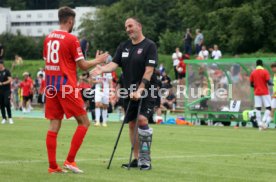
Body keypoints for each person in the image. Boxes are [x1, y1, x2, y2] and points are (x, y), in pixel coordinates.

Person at [43, 6, 108, 173]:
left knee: (54, 124)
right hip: (65, 85)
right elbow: (83, 65)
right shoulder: (71, 39)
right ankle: (70, 160)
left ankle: (52, 166)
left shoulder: (48, 38)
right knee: (84, 122)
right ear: (70, 21)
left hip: (51, 85)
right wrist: (98, 60)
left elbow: (48, 61)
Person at [92, 17, 157, 170]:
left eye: (130, 26)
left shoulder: (150, 45)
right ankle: (136, 159)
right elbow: (114, 64)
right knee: (132, 124)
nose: (128, 29)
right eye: (126, 27)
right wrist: (102, 69)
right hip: (129, 91)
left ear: (139, 26)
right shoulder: (124, 46)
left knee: (141, 120)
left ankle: (145, 159)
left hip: (147, 89)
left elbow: (149, 70)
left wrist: (141, 89)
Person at [250, 59, 272, 130]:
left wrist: (256, 86)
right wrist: (272, 84)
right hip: (265, 92)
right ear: (262, 64)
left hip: (257, 92)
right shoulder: (265, 71)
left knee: (258, 108)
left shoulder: (253, 73)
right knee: (269, 107)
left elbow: (251, 84)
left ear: (256, 65)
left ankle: (259, 124)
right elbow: (269, 82)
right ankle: (263, 121)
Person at [92, 61, 112, 127]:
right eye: (101, 63)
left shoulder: (108, 72)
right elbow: (91, 81)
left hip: (106, 90)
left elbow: (110, 82)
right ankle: (97, 121)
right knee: (97, 104)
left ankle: (104, 122)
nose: (102, 64)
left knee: (105, 106)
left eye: (104, 63)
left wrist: (111, 91)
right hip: (98, 90)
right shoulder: (96, 71)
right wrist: (97, 81)